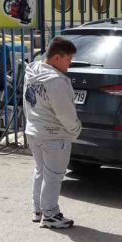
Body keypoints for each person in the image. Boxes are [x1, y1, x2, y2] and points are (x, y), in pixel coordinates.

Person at [23, 37, 82, 229]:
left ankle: (38, 209)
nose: (70, 63)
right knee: (54, 175)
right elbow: (65, 113)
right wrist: (75, 131)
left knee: (41, 171)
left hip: (34, 131)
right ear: (56, 58)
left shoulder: (33, 71)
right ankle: (50, 215)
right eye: (68, 59)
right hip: (55, 136)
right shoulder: (56, 81)